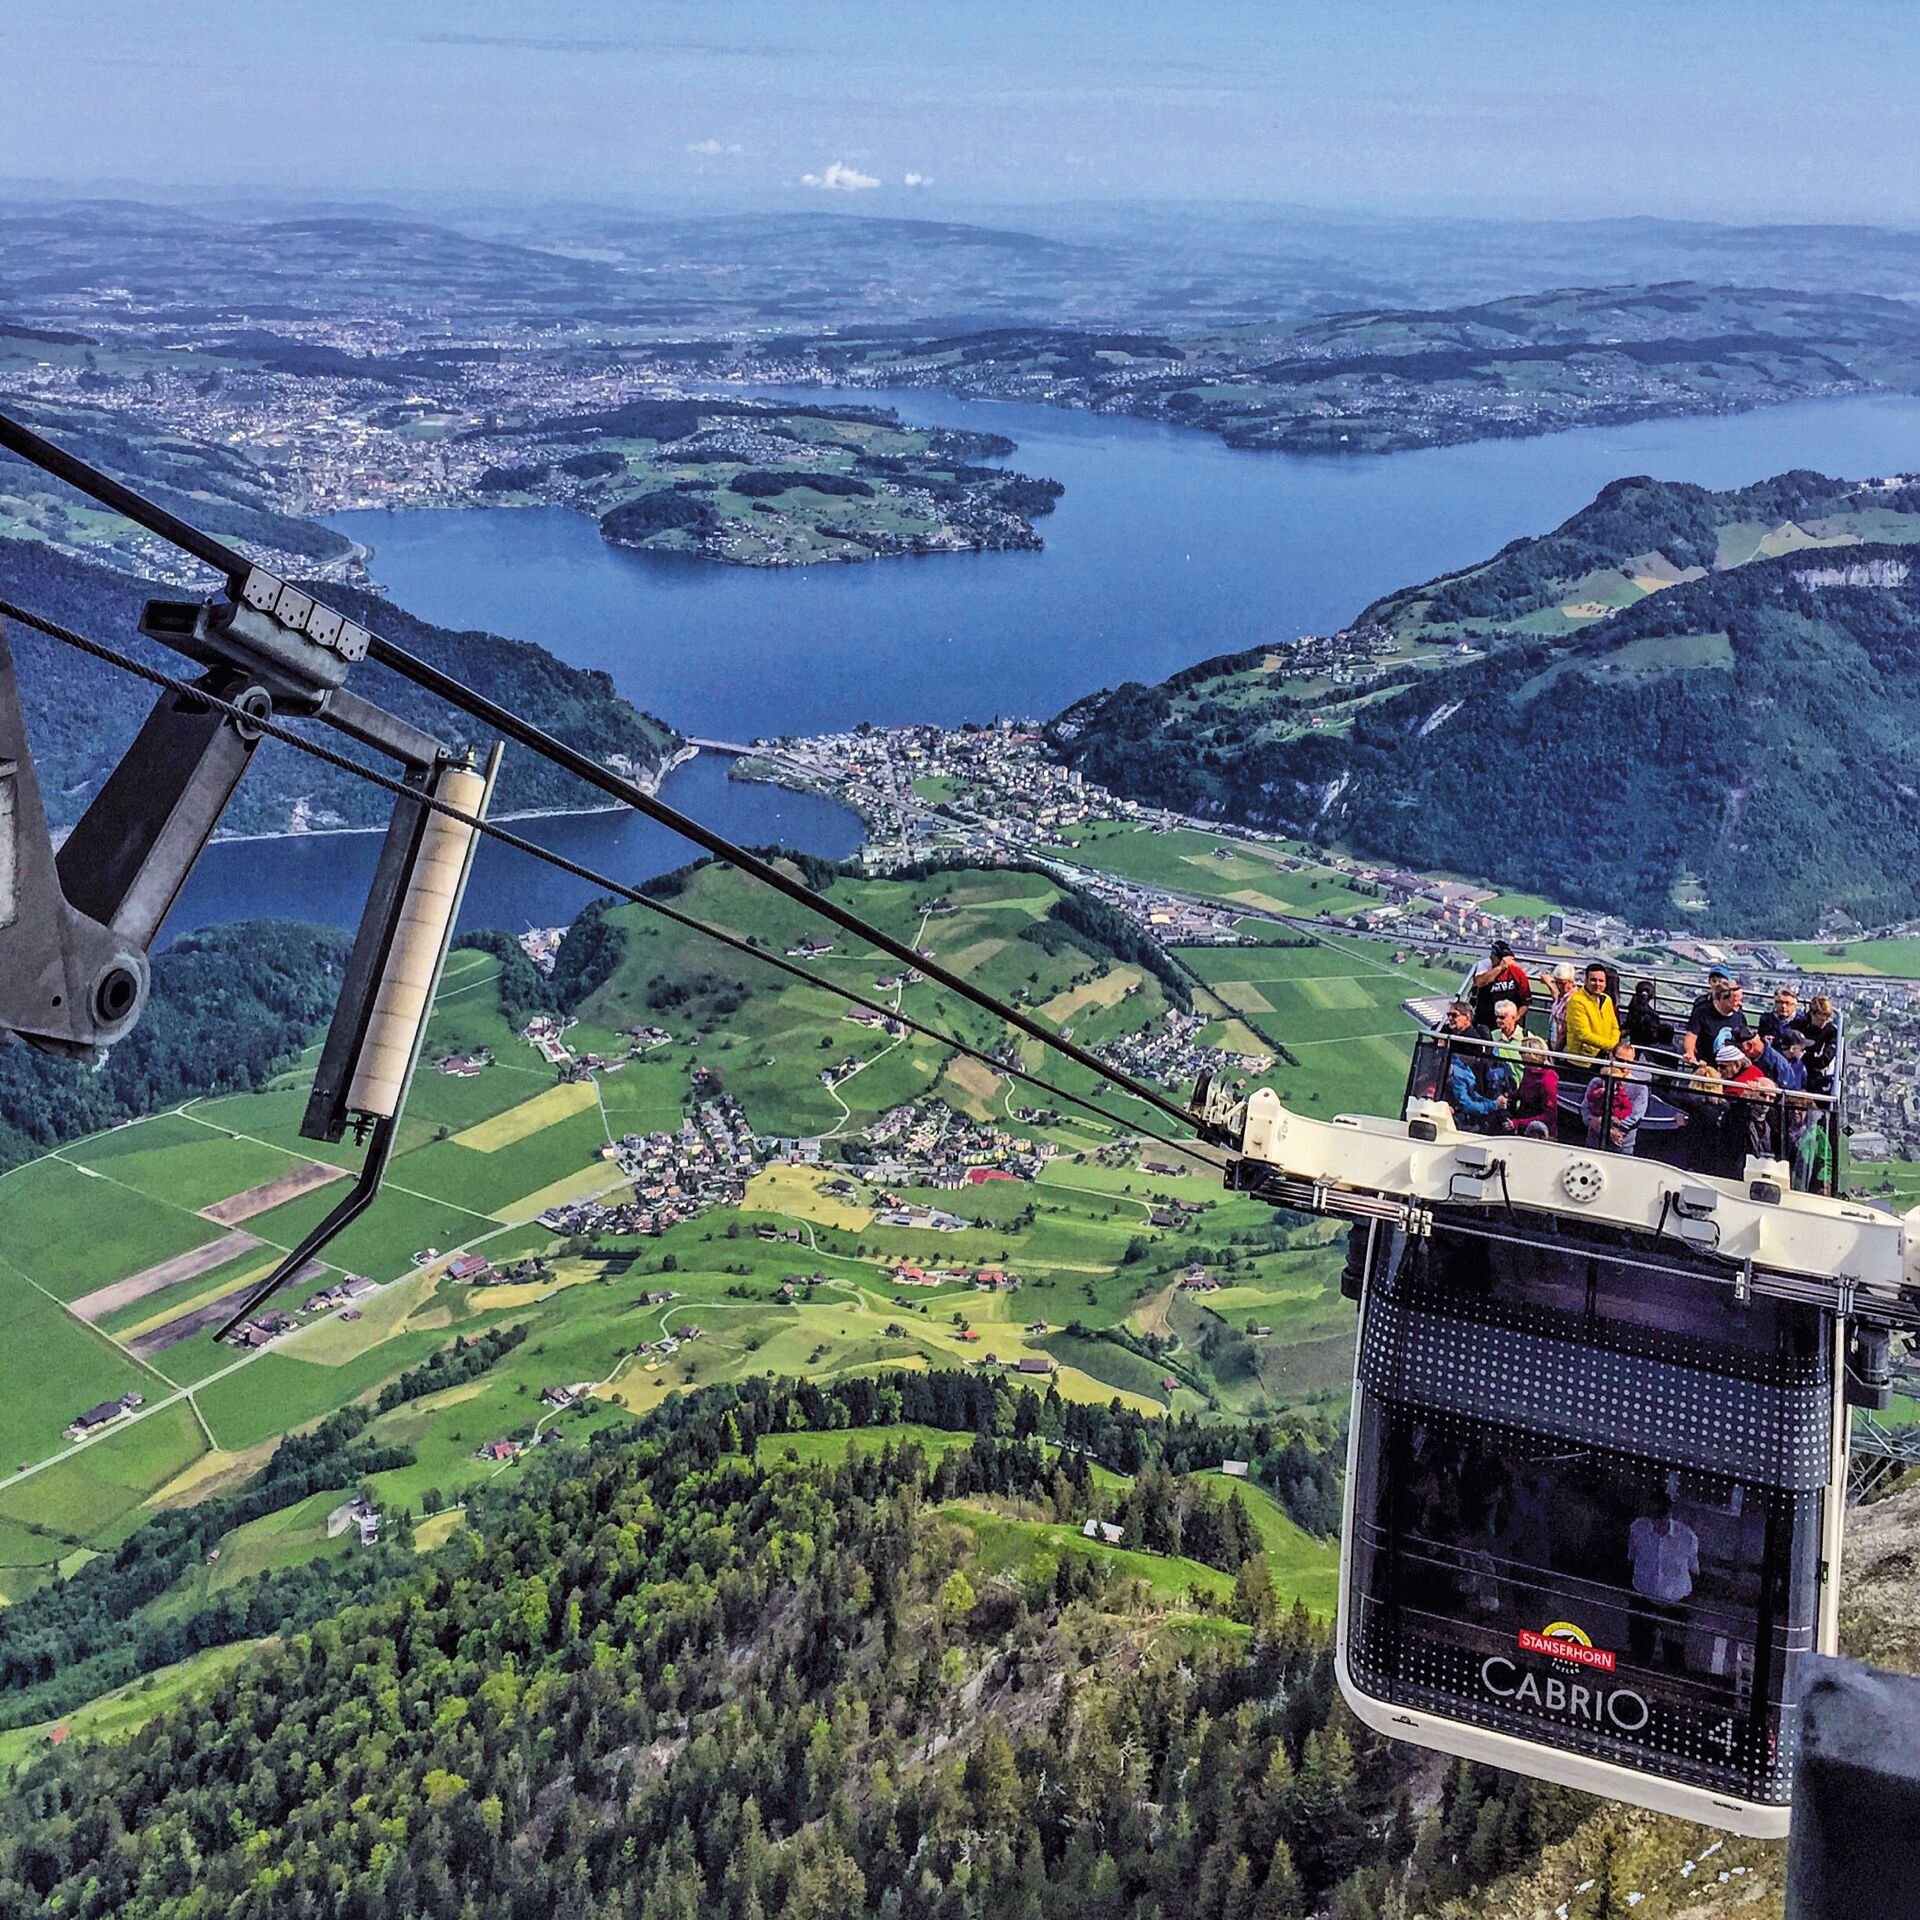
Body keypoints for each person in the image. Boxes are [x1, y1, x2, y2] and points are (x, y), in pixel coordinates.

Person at [1628, 1490, 1699, 1669]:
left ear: (1669, 1513)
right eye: (1654, 1517)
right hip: (1644, 1596)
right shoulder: (1638, 1529)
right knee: (1640, 1650)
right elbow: (1632, 1557)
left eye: (1660, 1516)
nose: (1657, 1522)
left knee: (1674, 1654)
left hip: (1675, 1601)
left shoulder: (1686, 1537)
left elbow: (1694, 1569)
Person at [1583, 1040, 1649, 1154]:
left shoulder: (1641, 1088)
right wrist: (1598, 1125)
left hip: (1622, 1147)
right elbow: (1585, 1109)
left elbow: (1634, 1118)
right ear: (1611, 1058)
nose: (1624, 1066)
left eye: (1629, 1063)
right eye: (1620, 1061)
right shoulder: (1597, 1082)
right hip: (1593, 1144)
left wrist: (1604, 1126)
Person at [1682, 974, 1752, 1066]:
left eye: (1740, 1000)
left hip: (1730, 1069)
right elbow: (1691, 1036)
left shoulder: (1739, 1016)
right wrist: (1690, 1052)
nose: (1740, 1004)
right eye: (1735, 1000)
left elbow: (1745, 1040)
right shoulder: (1703, 1013)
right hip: (1707, 1066)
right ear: (1722, 999)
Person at [1469, 939, 1533, 1030]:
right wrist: (1499, 968)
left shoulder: (1517, 973)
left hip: (1509, 1020)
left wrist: (1514, 1019)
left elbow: (1525, 1002)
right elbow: (1479, 982)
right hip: (1485, 1019)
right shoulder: (1485, 966)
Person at [1504, 1034, 1559, 1139]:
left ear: (1532, 1054)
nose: (1519, 1055)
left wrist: (1518, 1123)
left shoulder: (1547, 1081)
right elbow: (1523, 1092)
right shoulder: (1528, 1071)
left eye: (1522, 1052)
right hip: (1522, 1120)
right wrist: (1509, 1096)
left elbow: (1549, 1116)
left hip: (1538, 1132)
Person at [1564, 963, 1621, 1061]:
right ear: (1586, 981)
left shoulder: (1607, 1000)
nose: (1597, 984)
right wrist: (1610, 1045)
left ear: (1605, 983)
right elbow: (1583, 1034)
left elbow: (1614, 1027)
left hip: (1603, 1057)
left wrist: (1613, 1044)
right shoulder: (1577, 1001)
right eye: (1593, 980)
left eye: (1601, 981)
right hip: (1581, 1060)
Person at [1792, 994, 1840, 1096]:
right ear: (1812, 1014)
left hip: (1815, 1077)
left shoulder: (1832, 1032)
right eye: (1820, 1019)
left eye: (1825, 1019)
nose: (1823, 1023)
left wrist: (1803, 1056)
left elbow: (1823, 1061)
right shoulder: (1800, 1025)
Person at [1622, 979, 1676, 1054]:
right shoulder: (1653, 1016)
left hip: (1634, 1044)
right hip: (1648, 1049)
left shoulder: (1632, 1010)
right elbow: (1653, 1036)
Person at [1485, 998, 1527, 1095]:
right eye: (1497, 1017)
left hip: (1521, 1091)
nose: (1498, 1020)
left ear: (1514, 1017)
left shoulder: (1526, 1037)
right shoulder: (1492, 1036)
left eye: (1502, 1017)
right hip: (1497, 1090)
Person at [1544, 963, 1577, 1051]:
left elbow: (1564, 1032)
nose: (1559, 986)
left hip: (1562, 1047)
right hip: (1554, 1040)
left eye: (1562, 983)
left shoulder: (1572, 1000)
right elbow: (1556, 996)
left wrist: (1555, 1053)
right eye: (1556, 982)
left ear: (1572, 981)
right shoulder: (1562, 996)